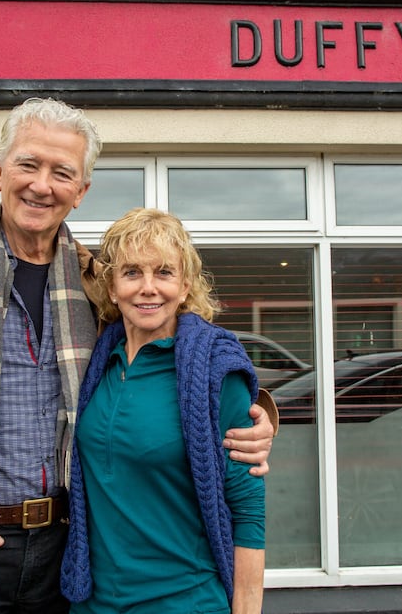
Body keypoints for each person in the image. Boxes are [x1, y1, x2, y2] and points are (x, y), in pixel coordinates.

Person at [0, 97, 276, 613]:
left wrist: (254, 414)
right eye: (28, 164)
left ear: (81, 191)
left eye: (62, 173)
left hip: (66, 555)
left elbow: (178, 359)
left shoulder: (95, 280)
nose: (42, 185)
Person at [61, 208, 266, 614]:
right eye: (132, 272)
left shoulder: (215, 372)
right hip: (91, 603)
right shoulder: (97, 363)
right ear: (112, 286)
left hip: (184, 601)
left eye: (164, 273)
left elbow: (248, 512)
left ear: (185, 285)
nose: (148, 288)